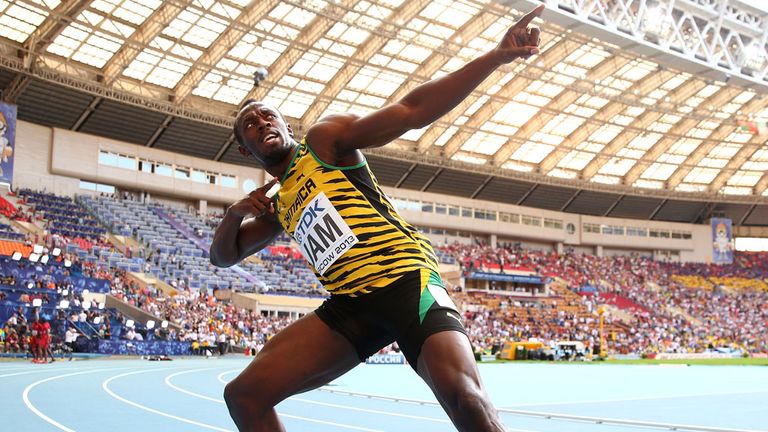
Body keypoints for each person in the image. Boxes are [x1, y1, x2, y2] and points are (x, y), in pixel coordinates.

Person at [211, 5, 544, 432]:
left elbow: (411, 111)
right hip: (351, 305)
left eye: (267, 115)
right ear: (244, 149)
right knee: (243, 396)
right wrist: (233, 215)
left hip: (406, 279)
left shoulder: (324, 142)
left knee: (464, 397)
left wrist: (495, 57)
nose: (261, 123)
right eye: (250, 125)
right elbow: (224, 256)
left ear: (286, 124)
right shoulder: (277, 202)